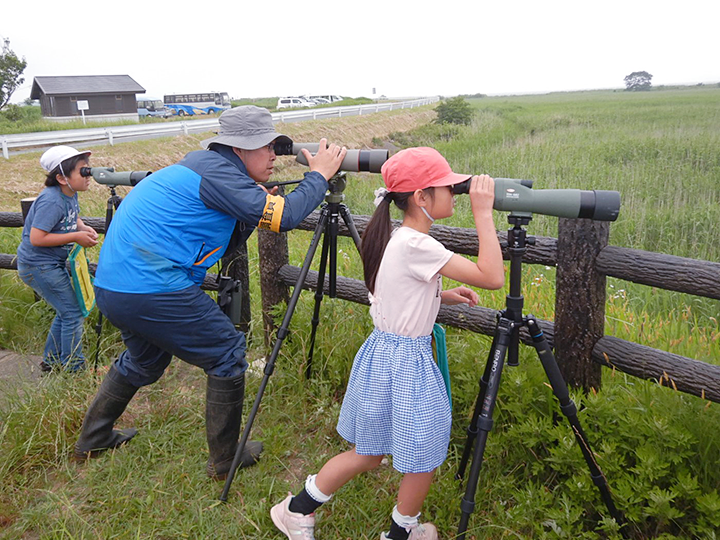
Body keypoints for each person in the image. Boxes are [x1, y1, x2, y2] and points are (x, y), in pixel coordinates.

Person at [73, 106, 347, 481]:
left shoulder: (202, 169)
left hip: (116, 287)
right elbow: (285, 217)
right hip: (153, 286)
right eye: (266, 147)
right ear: (239, 149)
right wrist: (318, 176)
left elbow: (228, 240)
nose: (273, 156)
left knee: (144, 362)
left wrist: (249, 208)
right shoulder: (215, 173)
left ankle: (93, 438)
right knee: (227, 352)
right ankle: (225, 459)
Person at [270, 147, 505, 540]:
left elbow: (391, 291)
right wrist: (484, 211)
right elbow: (493, 275)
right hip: (406, 363)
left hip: (385, 353)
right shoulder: (418, 244)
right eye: (447, 186)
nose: (454, 192)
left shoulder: (396, 237)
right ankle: (399, 533)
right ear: (421, 197)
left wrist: (440, 295)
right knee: (423, 455)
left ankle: (298, 510)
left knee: (369, 452)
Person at [16, 146, 99, 373]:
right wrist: (76, 236)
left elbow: (72, 217)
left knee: (66, 311)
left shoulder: (69, 194)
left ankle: (52, 361)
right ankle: (74, 368)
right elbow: (36, 237)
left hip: (48, 265)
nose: (88, 175)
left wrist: (82, 226)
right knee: (73, 312)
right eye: (83, 171)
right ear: (62, 178)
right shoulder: (51, 200)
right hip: (39, 266)